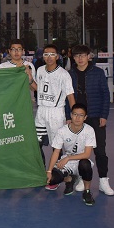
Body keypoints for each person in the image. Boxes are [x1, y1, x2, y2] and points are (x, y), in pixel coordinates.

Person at [67, 44, 113, 196]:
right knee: (79, 151)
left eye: (82, 55)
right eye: (76, 56)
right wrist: (68, 117)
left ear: (88, 56)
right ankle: (82, 178)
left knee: (100, 151)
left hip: (95, 117)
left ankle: (103, 181)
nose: (80, 58)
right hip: (77, 119)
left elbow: (105, 95)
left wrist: (104, 115)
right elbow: (67, 98)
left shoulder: (98, 73)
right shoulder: (69, 74)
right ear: (73, 58)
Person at [31, 44, 75, 178]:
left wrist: (74, 115)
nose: (49, 57)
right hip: (41, 111)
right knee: (36, 144)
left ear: (57, 56)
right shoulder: (40, 70)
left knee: (57, 147)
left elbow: (70, 96)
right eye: (46, 54)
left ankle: (61, 176)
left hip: (56, 113)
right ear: (43, 56)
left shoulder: (63, 74)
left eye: (52, 54)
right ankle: (41, 173)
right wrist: (29, 80)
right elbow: (38, 88)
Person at [45, 103, 96, 206]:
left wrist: (68, 158)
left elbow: (87, 154)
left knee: (85, 164)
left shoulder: (89, 130)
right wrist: (49, 171)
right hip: (67, 161)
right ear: (71, 115)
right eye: (75, 114)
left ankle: (87, 192)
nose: (77, 118)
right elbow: (56, 152)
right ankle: (70, 179)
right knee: (51, 180)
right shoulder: (62, 131)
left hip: (81, 160)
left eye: (81, 115)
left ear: (85, 117)